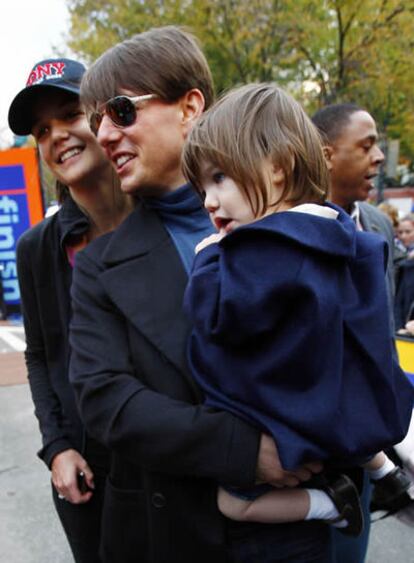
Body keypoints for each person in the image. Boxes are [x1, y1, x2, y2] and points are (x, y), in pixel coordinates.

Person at [69, 27, 329, 563]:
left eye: (120, 110)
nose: (104, 133)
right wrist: (242, 451)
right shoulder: (99, 265)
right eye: (96, 121)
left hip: (295, 528)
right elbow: (105, 400)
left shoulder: (298, 218)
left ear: (190, 107)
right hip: (170, 533)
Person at [181, 83, 414, 537]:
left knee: (232, 503)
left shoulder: (261, 250)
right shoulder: (338, 232)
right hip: (348, 406)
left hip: (294, 417)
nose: (208, 200)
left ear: (279, 170)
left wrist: (207, 258)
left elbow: (215, 315)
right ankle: (381, 466)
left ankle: (329, 506)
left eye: (219, 178)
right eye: (202, 186)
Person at [8, 58, 133, 562]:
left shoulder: (169, 215)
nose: (57, 135)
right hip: (89, 473)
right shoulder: (38, 248)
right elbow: (39, 354)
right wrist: (57, 447)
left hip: (174, 464)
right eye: (42, 130)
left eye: (70, 114)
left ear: (105, 116)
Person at [311, 102, 410, 562]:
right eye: (366, 146)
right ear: (327, 154)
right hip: (311, 450)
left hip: (369, 444)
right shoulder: (287, 224)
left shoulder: (376, 226)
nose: (378, 159)